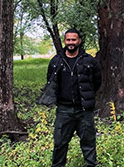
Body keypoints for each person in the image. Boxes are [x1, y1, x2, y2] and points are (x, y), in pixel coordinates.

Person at [39, 28, 101, 167]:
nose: (71, 42)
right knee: (60, 144)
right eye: (68, 40)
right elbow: (51, 81)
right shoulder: (56, 61)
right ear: (65, 41)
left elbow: (97, 82)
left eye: (74, 39)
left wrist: (87, 98)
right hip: (64, 110)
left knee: (89, 143)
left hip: (84, 110)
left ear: (79, 41)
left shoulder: (89, 61)